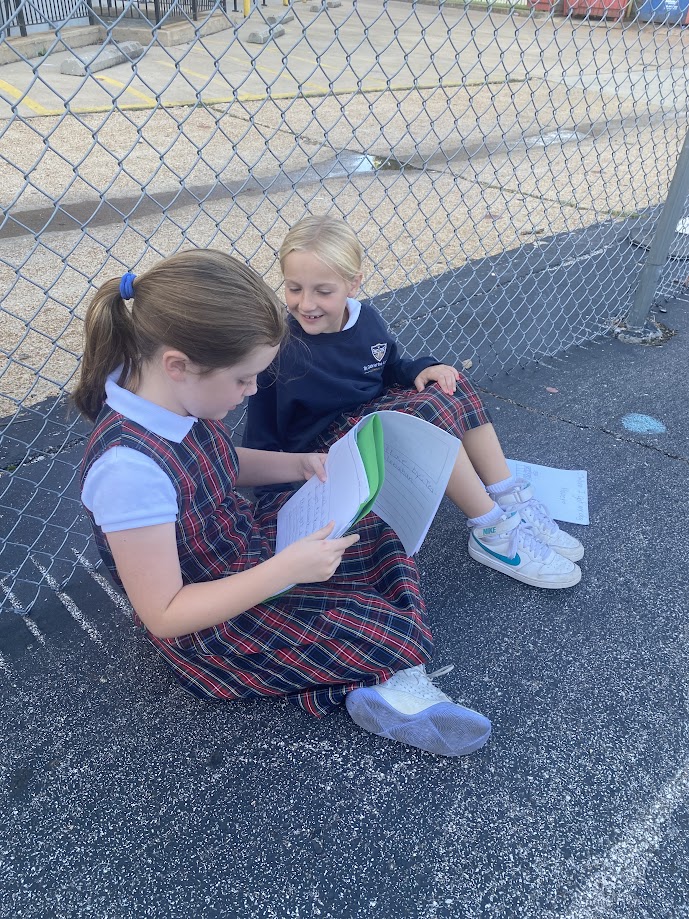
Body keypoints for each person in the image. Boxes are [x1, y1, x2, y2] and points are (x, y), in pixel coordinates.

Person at [73, 250, 491, 758]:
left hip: (246, 546)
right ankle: (380, 687)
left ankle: (372, 671)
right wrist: (286, 569)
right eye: (242, 379)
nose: (251, 391)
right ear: (178, 366)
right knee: (383, 627)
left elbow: (221, 461)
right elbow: (164, 613)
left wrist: (299, 465)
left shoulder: (168, 395)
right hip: (211, 625)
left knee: (376, 533)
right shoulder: (127, 471)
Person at [243, 215, 584, 590]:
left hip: (373, 426)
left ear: (353, 284)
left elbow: (389, 368)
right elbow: (261, 434)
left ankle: (510, 498)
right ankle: (492, 531)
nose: (306, 303)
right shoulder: (280, 349)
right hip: (328, 457)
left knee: (450, 383)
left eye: (323, 291)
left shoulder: (365, 320)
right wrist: (277, 503)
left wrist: (423, 369)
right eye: (293, 288)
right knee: (421, 416)